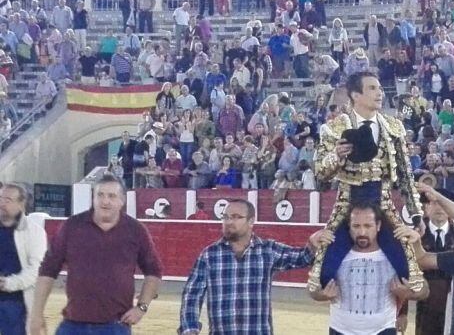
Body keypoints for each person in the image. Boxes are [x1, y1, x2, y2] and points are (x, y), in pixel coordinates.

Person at [308, 71, 424, 295]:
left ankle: (394, 314)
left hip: (383, 202)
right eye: (372, 88)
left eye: (379, 88)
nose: (379, 93)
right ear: (355, 95)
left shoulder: (393, 126)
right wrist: (337, 156)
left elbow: (405, 173)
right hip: (347, 202)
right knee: (322, 276)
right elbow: (320, 175)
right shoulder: (334, 127)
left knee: (410, 273)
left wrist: (416, 213)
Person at [30, 174, 162, 335]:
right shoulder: (72, 227)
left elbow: (154, 271)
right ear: (93, 198)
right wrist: (36, 315)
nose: (105, 201)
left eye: (112, 196)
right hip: (73, 325)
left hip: (115, 326)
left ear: (122, 201)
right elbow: (48, 270)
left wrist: (142, 307)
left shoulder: (135, 230)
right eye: (100, 195)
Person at [179, 199, 328, 334]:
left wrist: (312, 244)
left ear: (251, 221)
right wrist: (190, 328)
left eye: (236, 217)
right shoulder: (209, 255)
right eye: (226, 217)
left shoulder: (267, 250)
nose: (229, 221)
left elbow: (302, 257)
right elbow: (192, 294)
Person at [311, 202, 428, 335]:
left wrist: (409, 293)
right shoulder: (334, 255)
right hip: (340, 330)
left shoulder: (395, 254)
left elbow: (424, 290)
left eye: (368, 226)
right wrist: (321, 295)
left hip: (383, 330)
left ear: (378, 225)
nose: (362, 232)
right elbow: (312, 290)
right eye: (356, 226)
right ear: (348, 226)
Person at [401, 190, 454, 335]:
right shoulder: (415, 237)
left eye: (442, 203)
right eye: (433, 203)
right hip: (426, 304)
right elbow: (405, 273)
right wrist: (402, 312)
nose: (439, 208)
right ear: (425, 208)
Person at [0, 183, 48, 335]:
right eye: (1, 198)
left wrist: (7, 283)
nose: (2, 203)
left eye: (8, 200)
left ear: (21, 204)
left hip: (16, 304)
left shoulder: (34, 232)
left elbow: (36, 270)